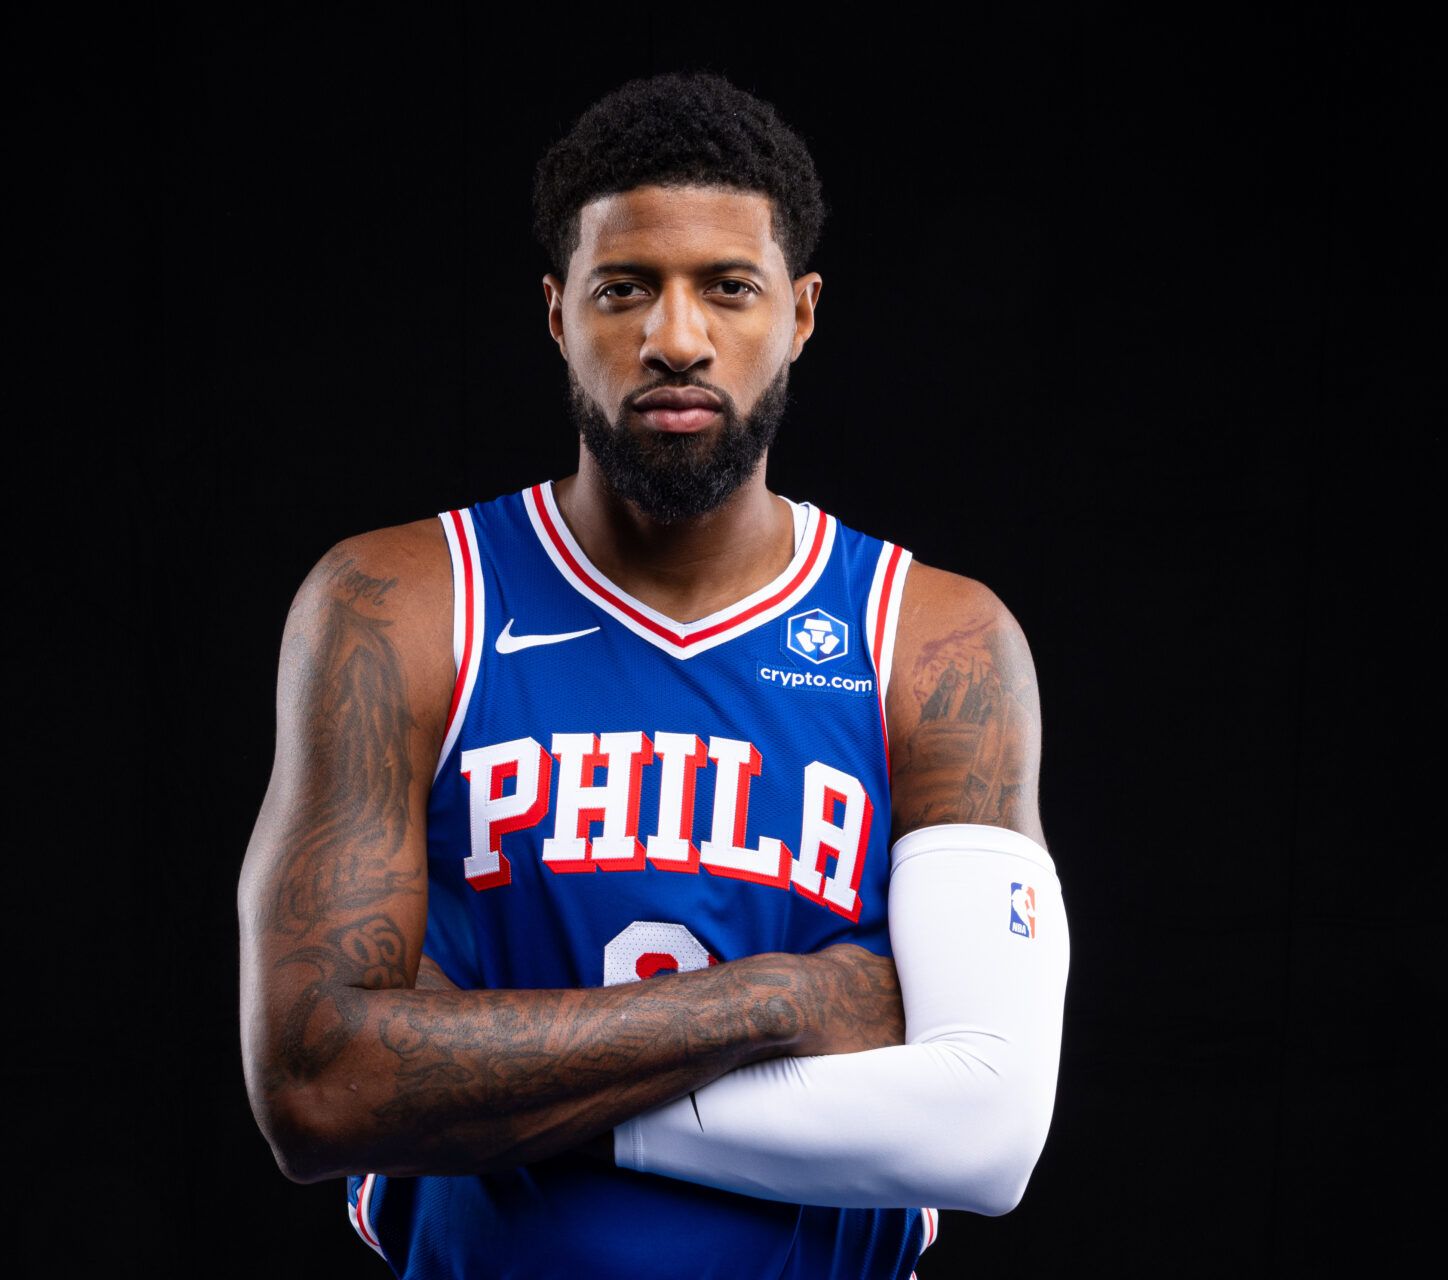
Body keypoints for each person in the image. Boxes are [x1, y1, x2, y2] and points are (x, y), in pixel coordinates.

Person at [237, 71, 1071, 1280]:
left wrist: (466, 1082)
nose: (675, 339)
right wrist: (778, 1000)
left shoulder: (933, 639)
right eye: (623, 288)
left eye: (729, 287)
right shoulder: (403, 604)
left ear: (802, 313)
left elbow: (984, 1133)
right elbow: (319, 1086)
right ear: (557, 312)